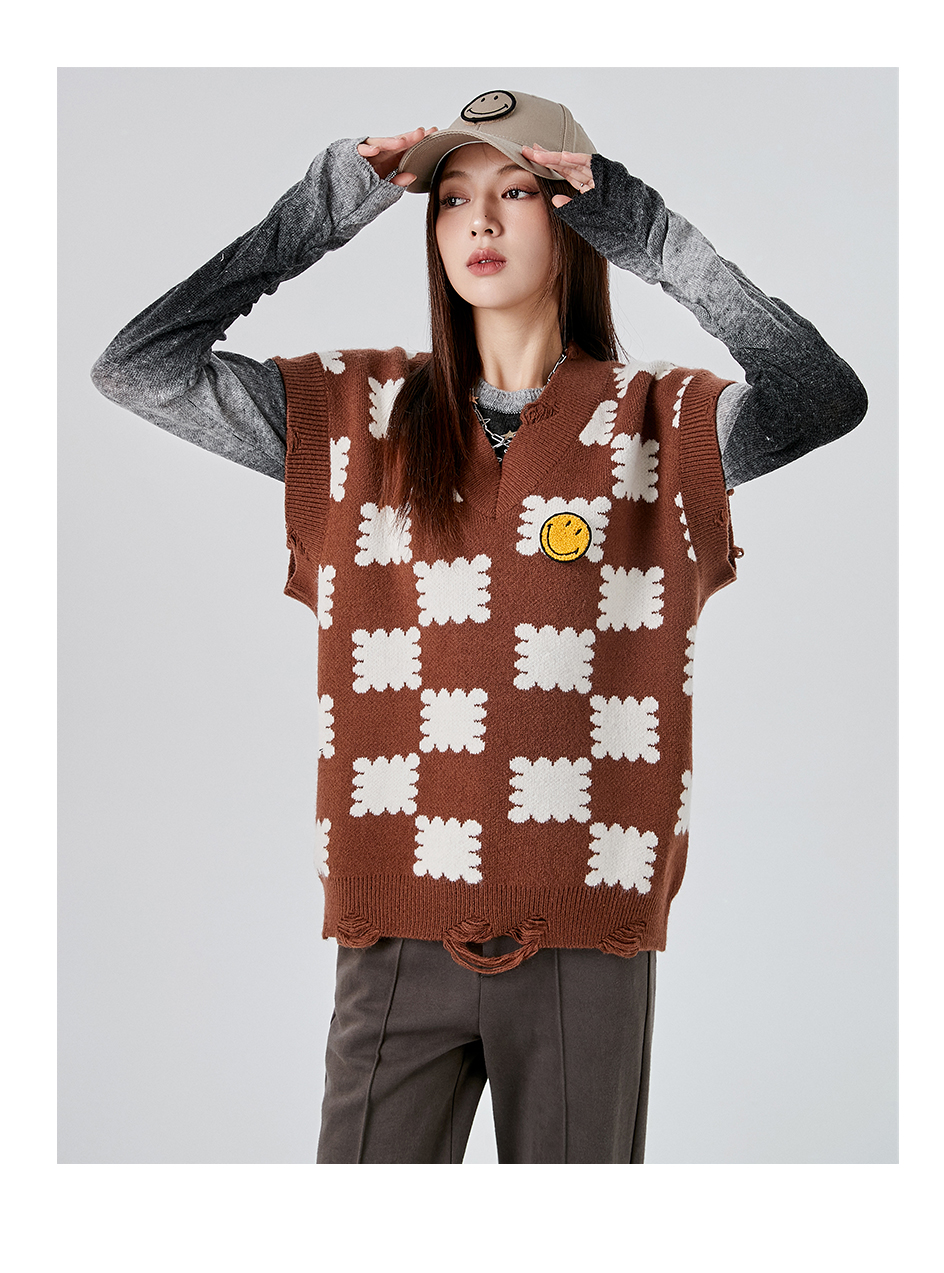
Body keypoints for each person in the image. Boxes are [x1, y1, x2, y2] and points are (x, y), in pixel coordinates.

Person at [90, 89, 868, 1164]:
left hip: (588, 933)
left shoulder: (662, 423)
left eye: (517, 191)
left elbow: (821, 394)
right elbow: (136, 367)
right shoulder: (351, 418)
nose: (481, 222)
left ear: (573, 214)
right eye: (453, 198)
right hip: (389, 932)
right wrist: (324, 207)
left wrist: (647, 232)